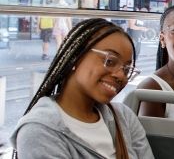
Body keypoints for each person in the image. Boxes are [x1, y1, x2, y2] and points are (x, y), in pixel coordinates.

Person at [10, 18, 154, 158]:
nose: (121, 76)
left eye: (127, 70)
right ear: (76, 57)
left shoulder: (123, 117)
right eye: (110, 61)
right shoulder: (39, 132)